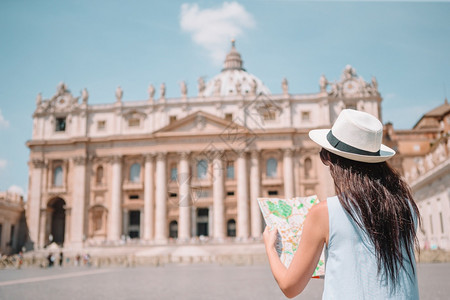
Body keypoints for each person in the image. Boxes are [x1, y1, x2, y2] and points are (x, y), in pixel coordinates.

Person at [263, 109, 420, 299]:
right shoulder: (407, 206)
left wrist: (270, 248)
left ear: (335, 161)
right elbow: (373, 268)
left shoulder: (325, 212)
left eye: (325, 155)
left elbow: (290, 286)